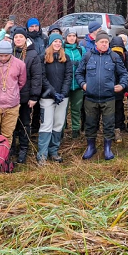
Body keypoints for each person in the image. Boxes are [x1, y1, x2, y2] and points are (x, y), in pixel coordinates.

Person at [75, 31, 128, 161]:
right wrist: (83, 84)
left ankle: (107, 148)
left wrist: (122, 85)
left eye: (106, 42)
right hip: (90, 98)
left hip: (109, 98)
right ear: (96, 43)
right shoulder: (88, 56)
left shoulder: (114, 57)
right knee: (90, 123)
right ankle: (91, 147)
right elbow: (78, 73)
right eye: (102, 42)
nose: (104, 44)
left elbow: (124, 74)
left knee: (109, 124)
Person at [10, 26, 43, 164]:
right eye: (16, 37)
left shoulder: (32, 54)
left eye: (21, 37)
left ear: (25, 39)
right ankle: (11, 148)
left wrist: (34, 96)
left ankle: (23, 149)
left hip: (25, 96)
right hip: (10, 97)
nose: (18, 39)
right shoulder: (8, 52)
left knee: (24, 123)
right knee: (10, 124)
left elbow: (36, 77)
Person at [38, 33, 72, 163]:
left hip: (63, 97)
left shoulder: (66, 58)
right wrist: (53, 93)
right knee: (46, 125)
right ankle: (42, 154)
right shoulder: (43, 58)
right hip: (47, 97)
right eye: (55, 41)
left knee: (58, 124)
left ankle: (54, 151)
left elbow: (68, 76)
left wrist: (63, 93)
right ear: (51, 43)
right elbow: (42, 77)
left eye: (59, 41)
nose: (57, 44)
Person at [109, 35, 128, 142]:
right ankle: (112, 129)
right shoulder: (108, 55)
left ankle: (118, 129)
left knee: (118, 108)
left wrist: (126, 87)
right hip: (110, 86)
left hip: (120, 86)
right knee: (110, 110)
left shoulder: (126, 55)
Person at [63, 28, 86, 139]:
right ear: (65, 37)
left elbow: (85, 65)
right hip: (64, 86)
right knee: (63, 110)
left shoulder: (81, 50)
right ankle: (61, 131)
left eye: (73, 36)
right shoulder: (61, 49)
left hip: (78, 84)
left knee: (76, 109)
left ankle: (76, 131)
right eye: (69, 36)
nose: (72, 38)